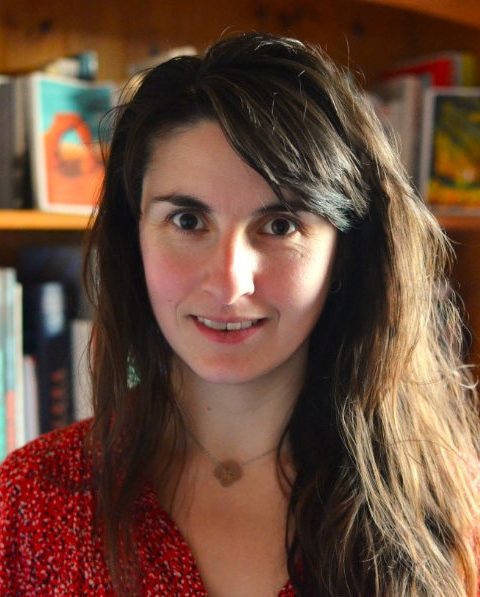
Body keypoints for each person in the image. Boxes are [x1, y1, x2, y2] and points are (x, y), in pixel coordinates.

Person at [0, 32, 479, 597]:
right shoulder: (28, 504)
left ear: (345, 250)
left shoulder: (446, 508)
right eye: (187, 221)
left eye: (279, 225)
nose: (229, 284)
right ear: (134, 238)